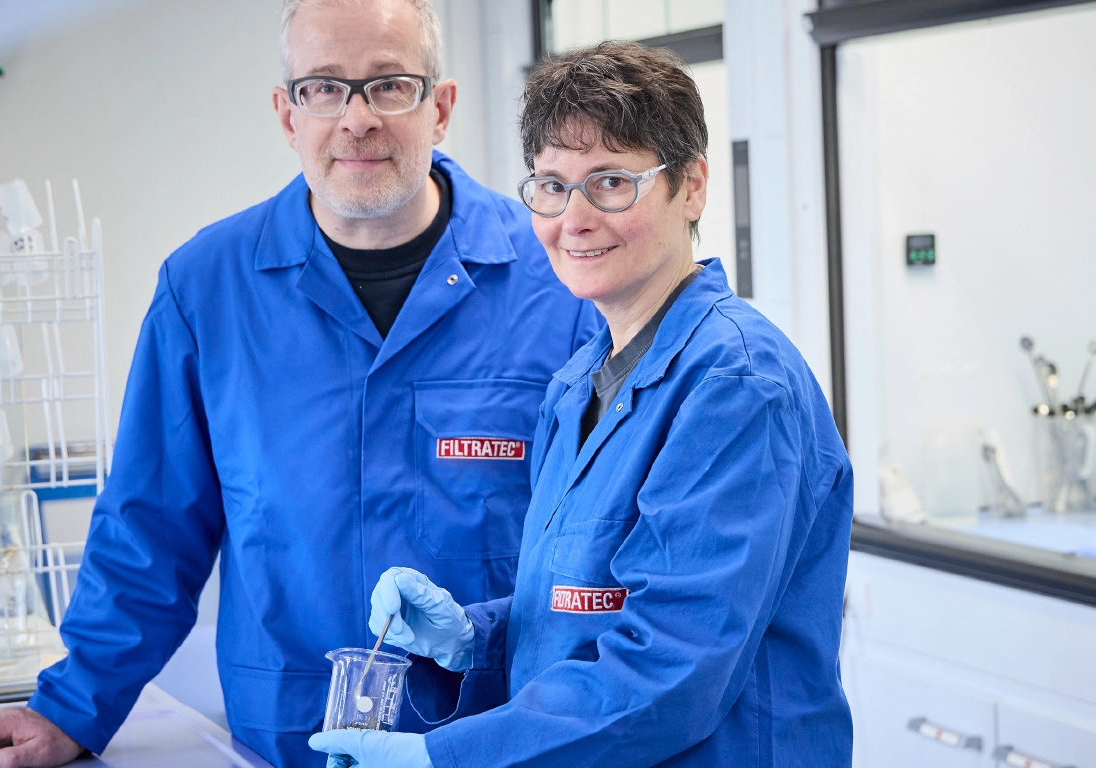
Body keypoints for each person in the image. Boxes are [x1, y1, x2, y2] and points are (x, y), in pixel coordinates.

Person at [0, 2, 597, 767]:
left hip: (497, 736)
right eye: (323, 88)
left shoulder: (557, 282)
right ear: (287, 115)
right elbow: (151, 529)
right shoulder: (206, 289)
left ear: (440, 107)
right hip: (290, 735)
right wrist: (72, 707)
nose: (356, 119)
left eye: (388, 85)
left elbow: (598, 540)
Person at [309, 41, 854, 768]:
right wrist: (474, 638)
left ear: (691, 187)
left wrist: (447, 758)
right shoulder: (577, 386)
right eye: (551, 186)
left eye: (611, 183)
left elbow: (667, 672)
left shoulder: (735, 385)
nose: (575, 218)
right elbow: (583, 608)